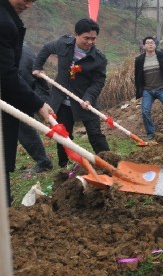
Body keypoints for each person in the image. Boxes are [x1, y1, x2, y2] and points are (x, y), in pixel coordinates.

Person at [1, 0, 53, 204]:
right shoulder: (4, 23)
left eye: (34, 1)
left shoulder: (8, 18)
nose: (29, 6)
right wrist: (39, 104)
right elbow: (6, 74)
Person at [34, 18, 110, 169]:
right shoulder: (63, 44)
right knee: (63, 135)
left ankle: (108, 163)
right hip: (62, 101)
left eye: (93, 38)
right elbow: (46, 48)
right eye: (86, 38)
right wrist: (38, 66)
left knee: (95, 134)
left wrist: (88, 98)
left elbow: (98, 82)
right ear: (76, 34)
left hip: (85, 101)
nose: (90, 42)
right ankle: (65, 165)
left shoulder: (98, 59)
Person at [18, 43, 54, 173]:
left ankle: (44, 162)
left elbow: (21, 77)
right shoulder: (19, 45)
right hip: (32, 87)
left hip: (28, 89)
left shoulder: (15, 51)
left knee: (23, 126)